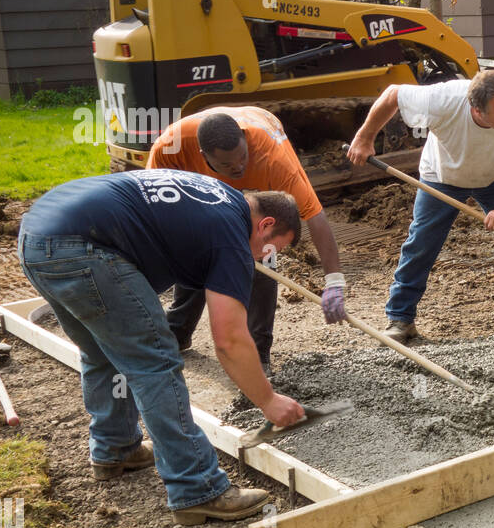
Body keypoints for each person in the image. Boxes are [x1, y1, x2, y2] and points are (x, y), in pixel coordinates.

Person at [17, 170, 307, 526]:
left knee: (101, 350)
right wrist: (268, 400)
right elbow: (229, 340)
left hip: (37, 237)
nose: (265, 259)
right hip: (84, 249)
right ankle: (197, 488)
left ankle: (115, 448)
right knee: (155, 361)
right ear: (265, 224)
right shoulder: (231, 233)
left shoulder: (220, 198)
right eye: (270, 250)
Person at [345, 69, 494, 342]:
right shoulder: (443, 99)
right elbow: (393, 94)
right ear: (476, 110)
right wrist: (364, 137)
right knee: (421, 243)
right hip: (441, 177)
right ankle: (400, 318)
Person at [147, 105, 348, 374]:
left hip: (261, 166)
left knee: (263, 257)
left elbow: (315, 216)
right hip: (196, 186)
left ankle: (258, 351)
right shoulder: (170, 149)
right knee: (197, 250)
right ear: (204, 156)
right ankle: (178, 332)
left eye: (242, 157)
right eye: (227, 164)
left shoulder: (272, 158)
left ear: (245, 141)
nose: (239, 166)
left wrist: (334, 282)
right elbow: (152, 207)